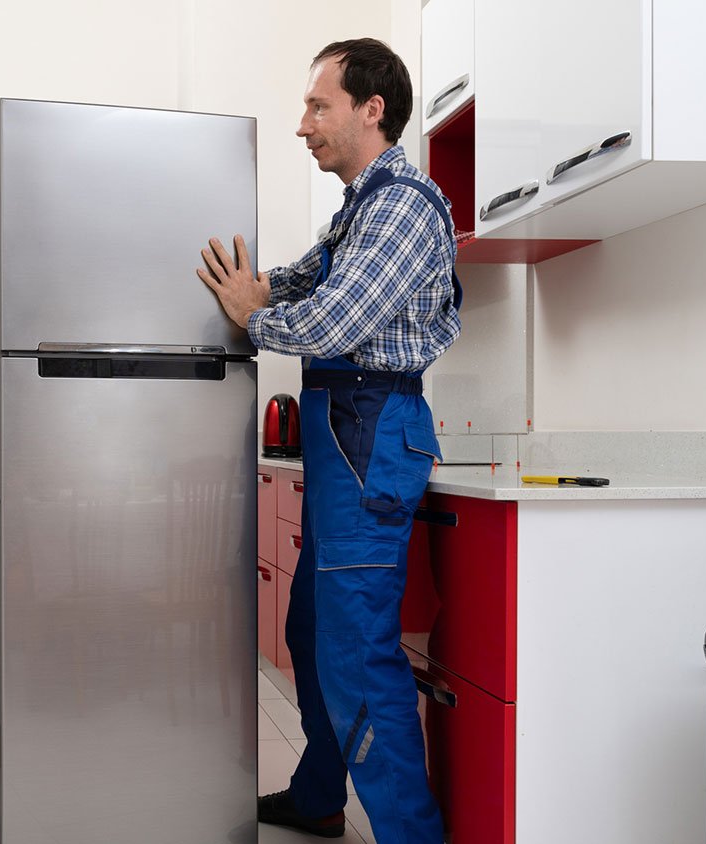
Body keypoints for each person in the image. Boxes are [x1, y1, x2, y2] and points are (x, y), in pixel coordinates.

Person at [197, 37, 460, 844]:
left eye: (318, 106)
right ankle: (318, 797)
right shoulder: (359, 208)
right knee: (312, 630)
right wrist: (249, 284)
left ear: (370, 109)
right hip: (347, 435)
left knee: (358, 658)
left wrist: (251, 314)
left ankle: (412, 834)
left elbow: (336, 320)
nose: (302, 124)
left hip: (371, 431)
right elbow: (306, 279)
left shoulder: (405, 205)